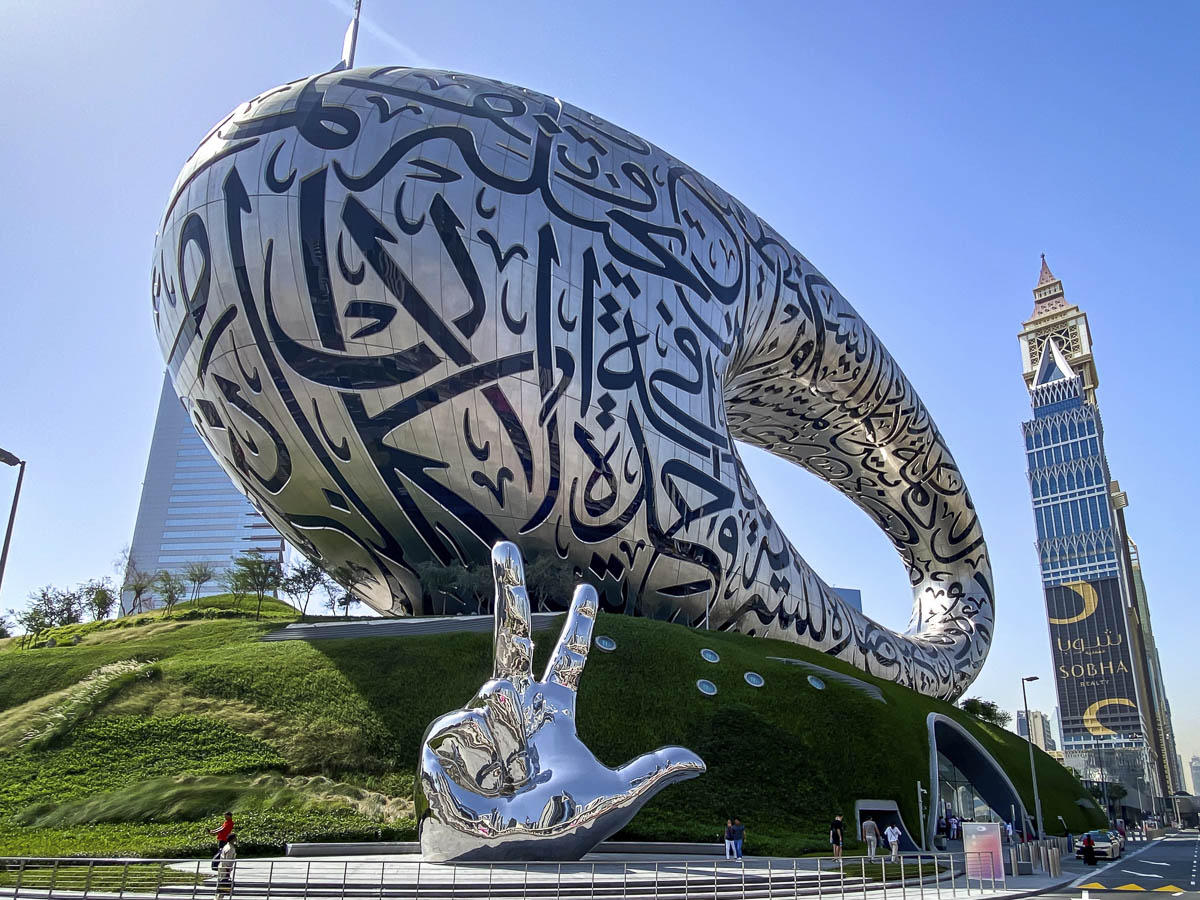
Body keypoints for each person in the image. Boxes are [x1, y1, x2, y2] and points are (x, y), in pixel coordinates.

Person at [214, 833, 237, 898]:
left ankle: (218, 898)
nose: (236, 839)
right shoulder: (230, 848)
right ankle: (218, 898)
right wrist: (228, 870)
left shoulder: (226, 846)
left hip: (222, 867)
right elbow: (228, 861)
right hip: (225, 869)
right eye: (235, 838)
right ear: (232, 839)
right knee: (223, 885)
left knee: (221, 884)